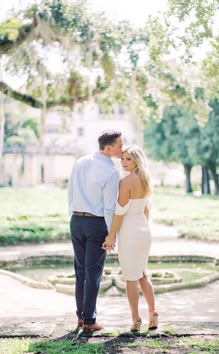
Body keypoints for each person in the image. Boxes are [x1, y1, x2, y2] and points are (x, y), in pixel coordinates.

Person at [68, 130, 123, 333]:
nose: (122, 148)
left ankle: (81, 318)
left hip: (76, 220)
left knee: (80, 271)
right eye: (120, 145)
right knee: (92, 273)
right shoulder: (110, 172)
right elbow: (109, 207)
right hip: (97, 223)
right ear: (108, 147)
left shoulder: (80, 162)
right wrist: (111, 235)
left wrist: (73, 217)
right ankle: (90, 321)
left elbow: (70, 192)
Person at [102, 145, 159, 332]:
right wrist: (143, 228)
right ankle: (154, 314)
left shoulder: (125, 183)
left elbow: (119, 213)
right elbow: (146, 209)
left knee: (130, 279)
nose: (124, 163)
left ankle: (136, 319)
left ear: (137, 161)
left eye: (128, 159)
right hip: (144, 230)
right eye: (123, 159)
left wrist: (111, 236)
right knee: (143, 274)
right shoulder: (146, 180)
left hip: (130, 232)